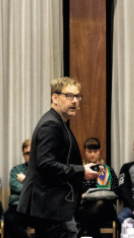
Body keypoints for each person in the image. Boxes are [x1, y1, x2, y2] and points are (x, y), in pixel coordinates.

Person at [17, 77, 99, 238]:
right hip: (51, 207)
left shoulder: (58, 122)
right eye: (69, 96)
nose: (75, 101)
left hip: (54, 206)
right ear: (55, 98)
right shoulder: (51, 124)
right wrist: (81, 171)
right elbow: (45, 164)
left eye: (77, 96)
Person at [76, 138, 118, 238]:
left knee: (100, 203)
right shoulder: (79, 170)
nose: (92, 155)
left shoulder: (108, 170)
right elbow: (73, 191)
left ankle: (79, 231)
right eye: (89, 151)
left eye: (95, 151)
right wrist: (83, 195)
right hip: (84, 206)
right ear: (84, 151)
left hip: (106, 208)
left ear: (100, 151)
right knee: (93, 214)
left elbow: (116, 191)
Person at [3, 139, 31, 238]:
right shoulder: (16, 170)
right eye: (27, 153)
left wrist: (25, 179)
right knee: (9, 220)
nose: (30, 155)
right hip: (18, 206)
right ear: (23, 155)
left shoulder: (41, 170)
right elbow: (15, 187)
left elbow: (42, 188)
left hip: (36, 207)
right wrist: (32, 186)